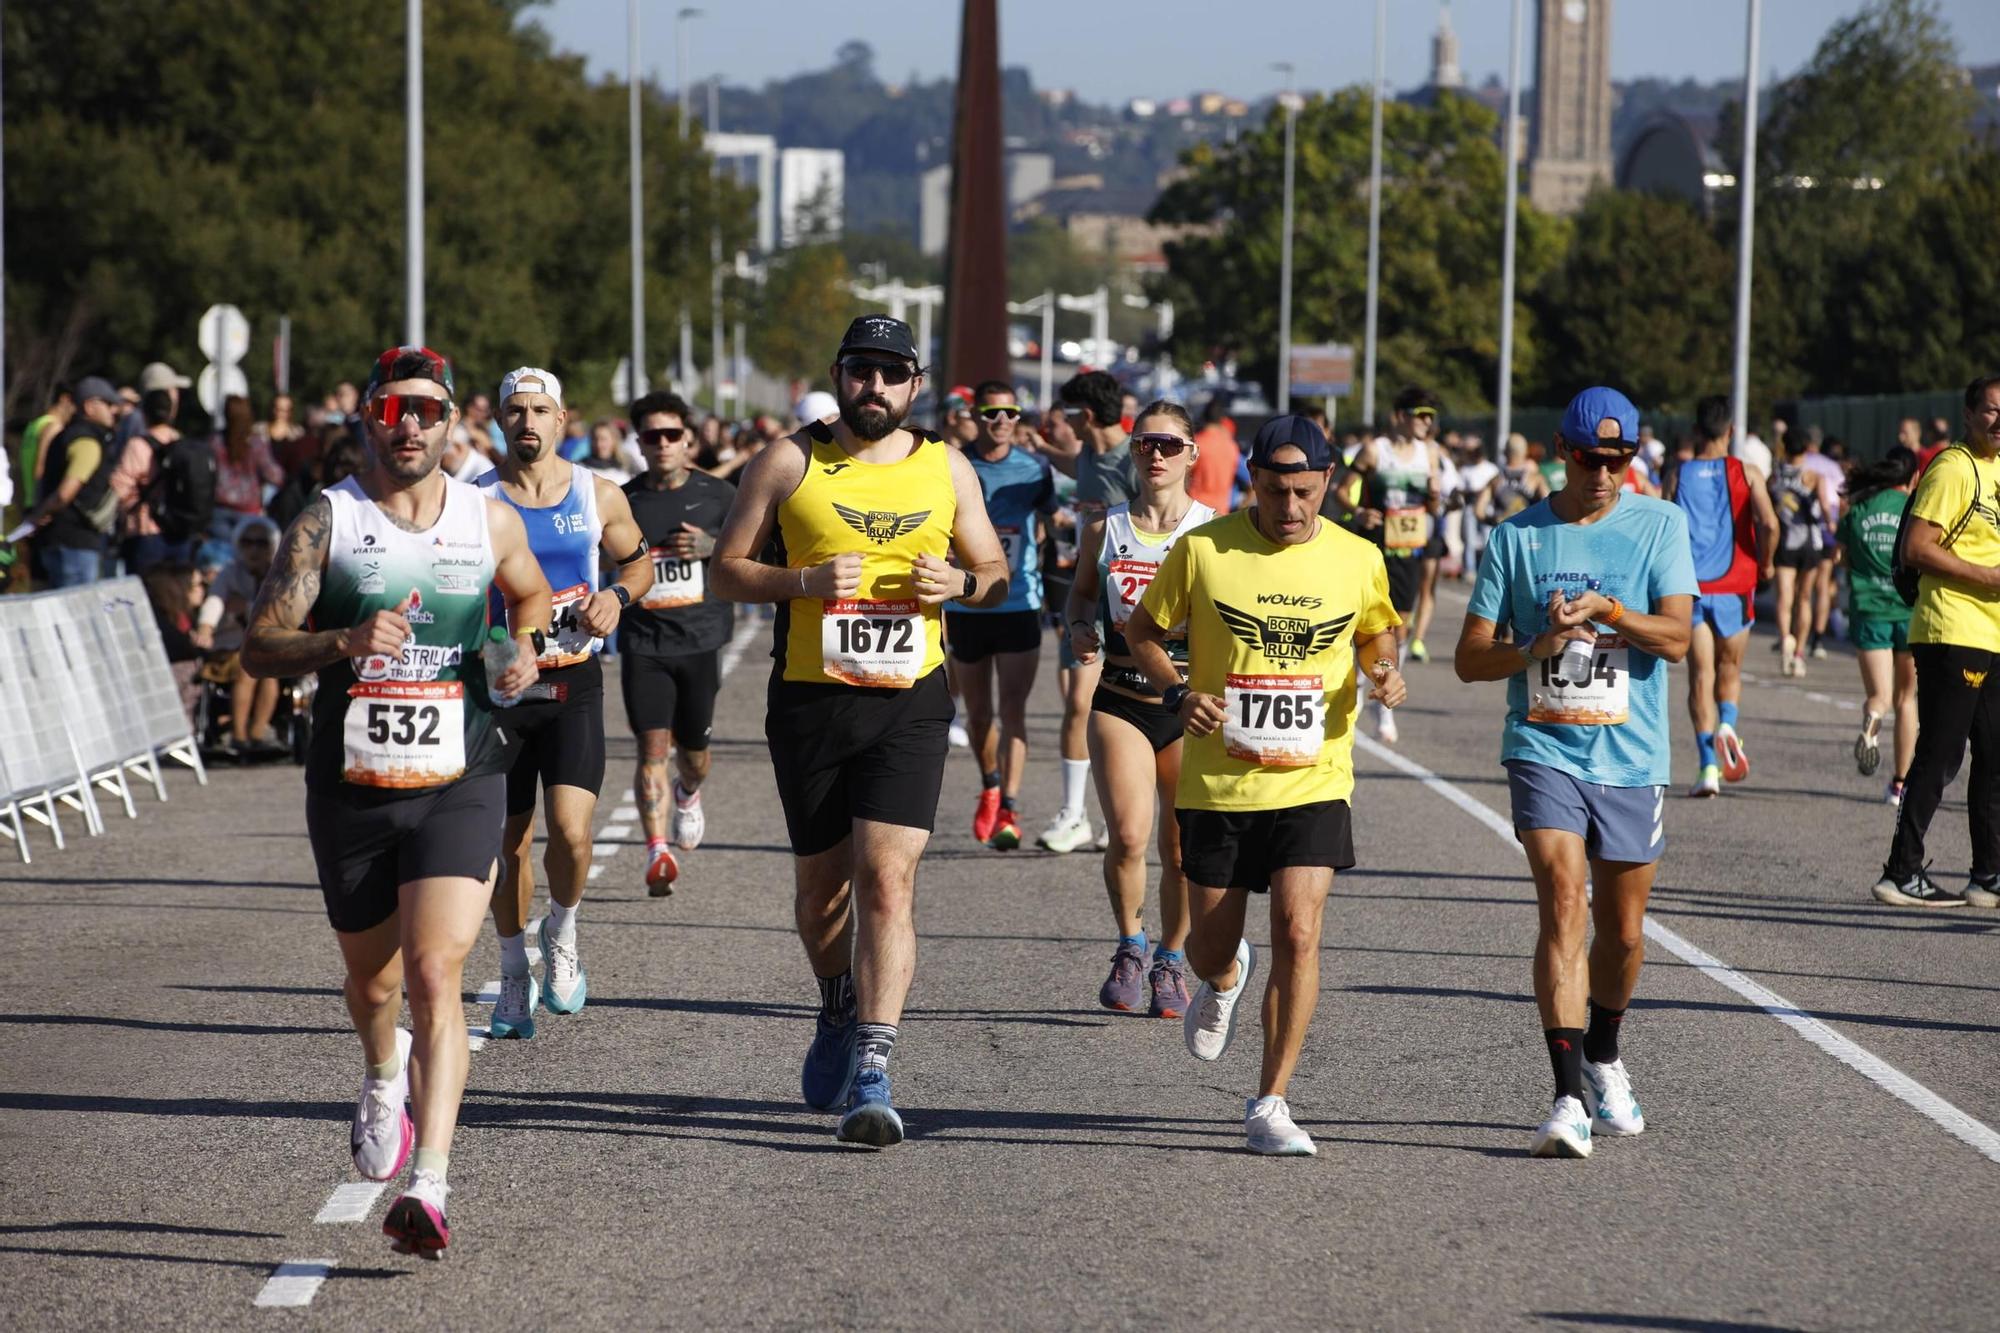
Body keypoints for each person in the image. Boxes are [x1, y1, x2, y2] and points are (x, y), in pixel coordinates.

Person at [241, 344, 550, 1257]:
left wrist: (521, 650)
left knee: (433, 972)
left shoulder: (485, 519)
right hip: (354, 784)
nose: (409, 426)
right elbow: (258, 645)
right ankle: (384, 1073)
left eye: (426, 409)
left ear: (453, 421)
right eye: (391, 410)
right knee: (374, 982)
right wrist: (341, 641)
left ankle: (432, 1183)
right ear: (370, 418)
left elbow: (528, 599)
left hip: (463, 772)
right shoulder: (327, 522)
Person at [711, 314, 1010, 1147]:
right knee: (821, 894)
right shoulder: (790, 460)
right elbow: (725, 569)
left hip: (908, 701)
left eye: (890, 372)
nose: (872, 386)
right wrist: (802, 578)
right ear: (839, 376)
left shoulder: (945, 467)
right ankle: (837, 999)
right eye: (859, 370)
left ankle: (874, 1065)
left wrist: (960, 581)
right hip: (809, 700)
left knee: (887, 878)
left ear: (916, 386)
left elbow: (994, 572)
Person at [1125, 414, 1404, 1156]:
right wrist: (1180, 692)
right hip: (1219, 783)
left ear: (1330, 485)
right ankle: (1223, 979)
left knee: (1299, 930)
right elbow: (1143, 631)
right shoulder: (1205, 549)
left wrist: (1382, 665)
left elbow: (1378, 627)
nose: (1290, 508)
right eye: (1277, 491)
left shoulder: (1357, 555)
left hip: (1315, 776)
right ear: (1254, 480)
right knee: (1208, 949)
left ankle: (1270, 1100)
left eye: (1306, 492)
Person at [1454, 386, 1696, 1159]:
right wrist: (1535, 647)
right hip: (1545, 746)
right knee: (1564, 901)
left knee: (1623, 935)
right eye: (1591, 458)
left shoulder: (1660, 523)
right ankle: (1564, 1097)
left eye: (1619, 460)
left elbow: (1680, 637)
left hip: (1632, 756)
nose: (1604, 473)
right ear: (1562, 451)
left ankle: (1602, 1052)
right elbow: (1468, 658)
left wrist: (1613, 613)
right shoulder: (1517, 538)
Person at [475, 367, 653, 1038]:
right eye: (515, 410)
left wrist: (618, 595)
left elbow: (638, 562)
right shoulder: (475, 500)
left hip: (574, 679)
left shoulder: (597, 493)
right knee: (508, 843)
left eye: (539, 409)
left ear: (562, 419)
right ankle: (513, 971)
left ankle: (563, 930)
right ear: (499, 421)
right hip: (502, 687)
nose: (527, 421)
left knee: (573, 832)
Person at [1065, 401, 1214, 1017]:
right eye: (1146, 444)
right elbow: (1078, 598)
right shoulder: (1106, 528)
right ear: (1132, 451)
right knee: (1128, 836)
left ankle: (1171, 960)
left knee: (1180, 850)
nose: (1157, 455)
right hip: (1122, 699)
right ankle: (1131, 945)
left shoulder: (1213, 533)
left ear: (1192, 454)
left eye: (1170, 445)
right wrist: (1079, 630)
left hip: (1187, 708)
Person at [1873, 375, 2000, 908]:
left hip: (1990, 635)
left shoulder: (1994, 472)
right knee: (1941, 755)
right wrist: (1985, 575)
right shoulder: (1954, 468)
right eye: (1992, 410)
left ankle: (1988, 877)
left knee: (1995, 757)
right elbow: (1917, 547)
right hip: (1952, 630)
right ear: (1969, 414)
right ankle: (1900, 872)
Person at [618, 391, 735, 893]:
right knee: (651, 748)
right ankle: (657, 852)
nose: (663, 444)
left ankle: (688, 792)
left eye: (671, 434)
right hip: (644, 642)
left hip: (700, 639)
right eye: (652, 436)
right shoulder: (622, 501)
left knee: (695, 754)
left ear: (688, 439)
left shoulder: (720, 497)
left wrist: (712, 547)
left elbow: (755, 552)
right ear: (640, 443)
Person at [1036, 369, 1138, 850]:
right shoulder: (1088, 454)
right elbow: (1071, 461)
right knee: (1080, 704)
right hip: (1084, 594)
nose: (1062, 421)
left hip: (1128, 601)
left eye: (1068, 414)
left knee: (1113, 710)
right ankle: (1075, 814)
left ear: (1088, 415)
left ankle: (1106, 816)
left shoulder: (1137, 461)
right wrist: (1034, 448)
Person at [952, 381, 1057, 850]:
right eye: (991, 414)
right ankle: (990, 782)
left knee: (1013, 708)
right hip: (967, 604)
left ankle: (1010, 807)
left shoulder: (1035, 469)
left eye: (1009, 413)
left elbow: (1053, 524)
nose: (1001, 422)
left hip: (1019, 603)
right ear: (975, 416)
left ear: (1019, 418)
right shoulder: (955, 466)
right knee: (978, 714)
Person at [1664, 394, 1777, 798]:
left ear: (1696, 431)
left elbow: (1664, 528)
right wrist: (1765, 563)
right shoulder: (1747, 473)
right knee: (1729, 672)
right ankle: (1728, 724)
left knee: (1700, 676)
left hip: (1692, 589)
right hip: (1735, 587)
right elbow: (1769, 522)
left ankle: (1708, 766)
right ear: (1730, 432)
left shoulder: (1678, 475)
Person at [1353, 386, 1443, 741]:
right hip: (1376, 549)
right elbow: (1344, 490)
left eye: (1431, 417)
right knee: (1369, 624)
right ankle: (1360, 686)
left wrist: (1435, 497)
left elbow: (1434, 508)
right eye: (1420, 414)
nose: (1426, 422)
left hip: (1410, 549)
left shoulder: (1430, 453)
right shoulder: (1375, 450)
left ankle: (1382, 698)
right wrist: (1360, 511)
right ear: (1400, 416)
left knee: (1401, 627)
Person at [1838, 448, 1918, 806]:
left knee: (1881, 697)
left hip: (1869, 610)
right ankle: (1899, 784)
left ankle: (1872, 719)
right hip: (1908, 611)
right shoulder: (1916, 508)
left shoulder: (1858, 508)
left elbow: (1843, 557)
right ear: (1913, 477)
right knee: (1907, 699)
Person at [197, 516, 286, 757]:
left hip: (269, 647)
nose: (254, 549)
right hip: (232, 645)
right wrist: (206, 626)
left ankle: (257, 734)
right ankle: (239, 736)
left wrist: (245, 606)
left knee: (267, 672)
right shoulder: (229, 573)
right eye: (248, 542)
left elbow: (279, 611)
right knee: (249, 667)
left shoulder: (282, 575)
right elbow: (215, 601)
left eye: (261, 543)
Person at [28, 376, 124, 587]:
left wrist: (39, 513)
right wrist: (42, 513)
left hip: (54, 538)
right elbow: (65, 492)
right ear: (90, 406)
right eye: (108, 404)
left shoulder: (63, 436)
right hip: (76, 543)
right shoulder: (88, 441)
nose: (114, 411)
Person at [1768, 432, 1825, 677]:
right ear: (1806, 450)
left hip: (1785, 542)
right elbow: (1824, 509)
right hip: (1810, 543)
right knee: (1804, 598)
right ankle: (1800, 653)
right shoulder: (1812, 476)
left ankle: (1785, 642)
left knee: (1784, 598)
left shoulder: (1775, 477)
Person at [109, 389, 181, 573]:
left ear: (144, 413)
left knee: (145, 593)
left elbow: (119, 488)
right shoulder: (180, 442)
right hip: (177, 530)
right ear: (172, 412)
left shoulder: (137, 445)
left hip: (144, 528)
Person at [1796, 427, 1845, 660]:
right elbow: (1841, 495)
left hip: (1808, 526)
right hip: (1831, 525)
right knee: (1824, 585)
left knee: (1803, 588)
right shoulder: (1833, 467)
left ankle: (1798, 637)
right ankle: (1817, 638)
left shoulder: (1802, 461)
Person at [210, 395, 284, 539]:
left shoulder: (215, 441)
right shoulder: (255, 443)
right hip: (248, 510)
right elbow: (275, 476)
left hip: (220, 507)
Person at [19, 382, 75, 509]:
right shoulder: (54, 427)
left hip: (27, 499)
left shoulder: (34, 425)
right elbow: (41, 466)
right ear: (65, 399)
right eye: (75, 404)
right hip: (39, 501)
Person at [1188, 397, 1239, 513]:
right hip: (1221, 512)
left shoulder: (1198, 443)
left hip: (1196, 510)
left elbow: (1181, 475)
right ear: (1222, 420)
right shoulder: (1231, 446)